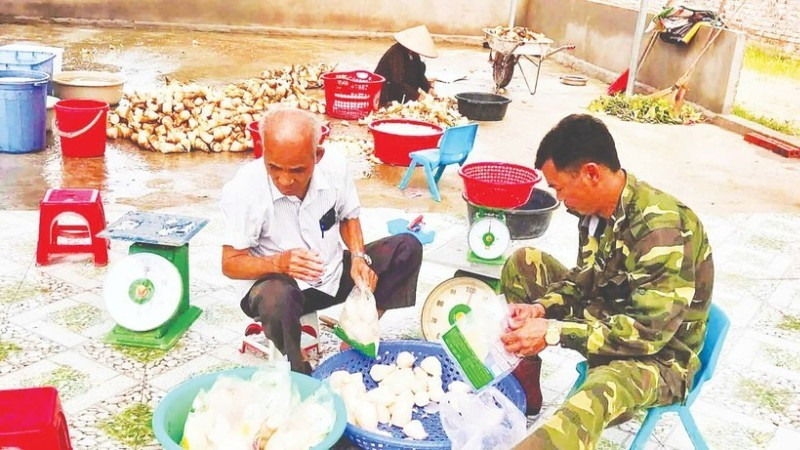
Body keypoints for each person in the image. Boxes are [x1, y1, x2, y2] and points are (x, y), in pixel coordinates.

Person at [500, 114, 714, 449]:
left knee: (597, 393)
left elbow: (647, 335)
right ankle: (526, 383)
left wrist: (554, 332)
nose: (558, 199)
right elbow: (582, 281)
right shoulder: (595, 213)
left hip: (658, 357)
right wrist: (541, 309)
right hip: (609, 316)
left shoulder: (662, 231)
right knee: (524, 263)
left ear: (590, 173)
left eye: (558, 187)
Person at [220, 108, 423, 374]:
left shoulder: (335, 167)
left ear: (317, 156)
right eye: (274, 167)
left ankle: (356, 336)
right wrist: (279, 263)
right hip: (277, 291)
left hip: (331, 276)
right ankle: (297, 367)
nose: (285, 179)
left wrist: (358, 257)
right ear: (264, 154)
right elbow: (230, 263)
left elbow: (349, 217)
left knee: (406, 247)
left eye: (297, 170)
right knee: (276, 298)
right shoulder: (244, 190)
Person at [374, 24, 438, 105]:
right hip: (386, 90)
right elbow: (397, 81)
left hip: (401, 88)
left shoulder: (414, 54)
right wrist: (416, 96)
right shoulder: (396, 52)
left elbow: (419, 75)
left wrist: (428, 89)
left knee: (421, 66)